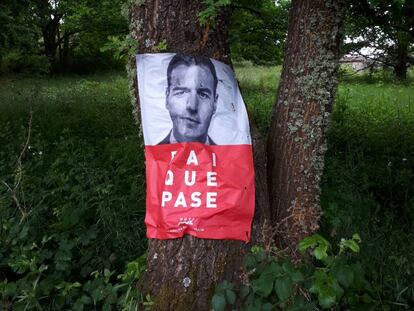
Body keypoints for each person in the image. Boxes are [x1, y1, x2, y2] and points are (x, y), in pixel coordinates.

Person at [158, 54, 218, 145]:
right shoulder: (154, 153)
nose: (192, 106)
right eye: (181, 92)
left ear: (215, 103)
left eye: (203, 94)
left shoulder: (229, 157)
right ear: (167, 98)